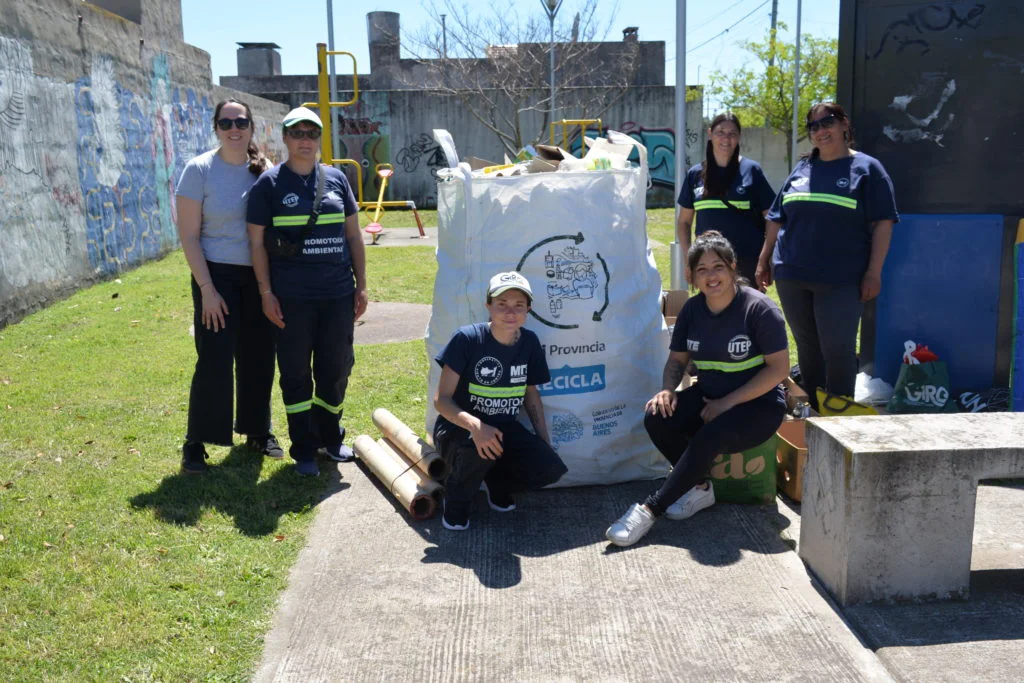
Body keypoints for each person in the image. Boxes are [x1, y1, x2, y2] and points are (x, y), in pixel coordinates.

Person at [606, 232, 789, 547]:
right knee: (656, 416)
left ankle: (649, 510)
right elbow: (677, 361)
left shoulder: (759, 309)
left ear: (732, 268)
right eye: (701, 270)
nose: (711, 276)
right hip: (712, 398)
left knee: (711, 434)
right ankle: (700, 488)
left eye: (717, 266)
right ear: (691, 276)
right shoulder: (692, 310)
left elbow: (779, 369)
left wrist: (728, 403)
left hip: (759, 407)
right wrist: (667, 390)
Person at [246, 107, 368, 476]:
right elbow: (256, 245)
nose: (304, 139)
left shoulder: (336, 180)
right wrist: (266, 293)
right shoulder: (268, 185)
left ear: (319, 139)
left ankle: (330, 439)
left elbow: (354, 236)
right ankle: (303, 449)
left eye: (311, 133)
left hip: (336, 295)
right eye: (296, 132)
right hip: (292, 298)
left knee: (335, 370)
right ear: (284, 138)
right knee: (296, 373)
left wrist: (361, 286)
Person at [755, 102, 898, 408]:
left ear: (844, 125)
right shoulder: (803, 168)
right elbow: (777, 217)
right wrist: (764, 258)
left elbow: (884, 223)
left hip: (841, 280)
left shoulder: (868, 169)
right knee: (808, 349)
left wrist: (874, 271)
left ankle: (839, 418)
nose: (821, 131)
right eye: (814, 127)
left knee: (837, 348)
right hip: (792, 275)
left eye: (827, 123)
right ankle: (817, 417)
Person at [175, 98, 280, 475]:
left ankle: (257, 430)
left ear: (252, 127)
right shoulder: (199, 169)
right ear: (216, 128)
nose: (234, 128)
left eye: (241, 122)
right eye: (226, 122)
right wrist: (207, 289)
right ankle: (196, 442)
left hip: (258, 277)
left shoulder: (264, 169)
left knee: (258, 356)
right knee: (214, 358)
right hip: (215, 275)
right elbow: (188, 236)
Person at [433, 272, 568, 531]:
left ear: (528, 309)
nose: (510, 312)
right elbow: (442, 401)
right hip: (457, 428)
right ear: (488, 306)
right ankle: (457, 500)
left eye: (519, 305)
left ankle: (498, 483)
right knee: (479, 446)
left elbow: (530, 393)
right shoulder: (468, 339)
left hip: (503, 427)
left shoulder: (529, 342)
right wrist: (475, 426)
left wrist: (544, 440)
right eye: (502, 304)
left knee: (549, 468)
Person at [677, 113, 776, 285]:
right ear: (710, 133)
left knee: (746, 310)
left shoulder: (751, 170)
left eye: (732, 134)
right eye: (720, 132)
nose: (726, 139)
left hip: (747, 264)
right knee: (713, 310)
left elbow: (772, 218)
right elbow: (684, 222)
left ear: (739, 137)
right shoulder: (695, 174)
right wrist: (689, 259)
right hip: (708, 266)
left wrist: (764, 259)